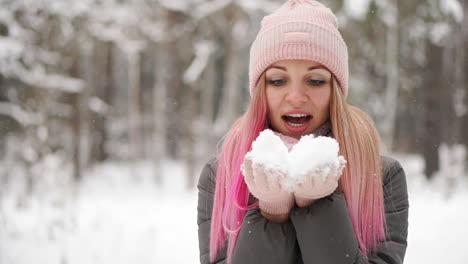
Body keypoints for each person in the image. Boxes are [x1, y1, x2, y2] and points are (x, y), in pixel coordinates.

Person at [197, 0, 409, 263]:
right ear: (260, 90)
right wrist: (272, 214)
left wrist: (317, 205)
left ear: (336, 91)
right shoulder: (221, 176)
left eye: (315, 80)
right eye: (277, 80)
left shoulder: (381, 176)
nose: (296, 96)